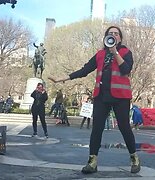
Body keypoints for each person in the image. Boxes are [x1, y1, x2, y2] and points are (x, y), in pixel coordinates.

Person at [48, 26, 140, 174]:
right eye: (110, 34)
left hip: (121, 97)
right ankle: (92, 161)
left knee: (124, 127)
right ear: (105, 37)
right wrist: (63, 78)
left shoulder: (126, 52)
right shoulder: (100, 54)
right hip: (101, 96)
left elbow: (126, 69)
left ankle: (134, 158)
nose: (113, 36)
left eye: (116, 34)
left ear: (120, 38)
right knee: (97, 129)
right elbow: (85, 70)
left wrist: (115, 51)